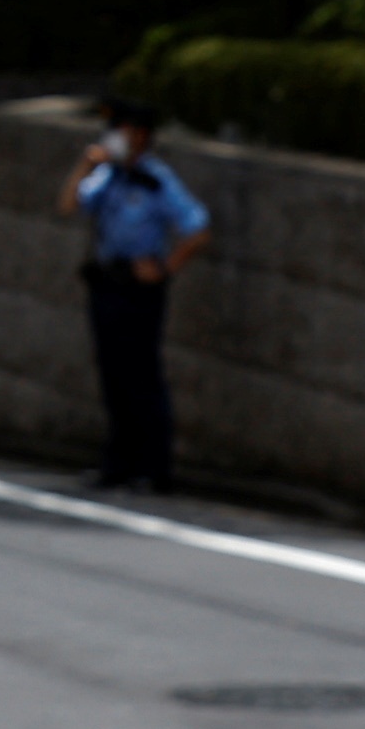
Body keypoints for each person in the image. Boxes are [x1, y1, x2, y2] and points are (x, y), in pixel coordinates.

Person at [73, 99, 213, 495]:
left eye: (124, 131)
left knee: (142, 375)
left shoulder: (157, 180)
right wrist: (87, 165)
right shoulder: (108, 177)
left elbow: (198, 229)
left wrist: (166, 268)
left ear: (141, 137)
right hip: (106, 282)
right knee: (112, 373)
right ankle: (118, 462)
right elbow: (70, 204)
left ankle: (155, 467)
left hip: (139, 288)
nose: (118, 138)